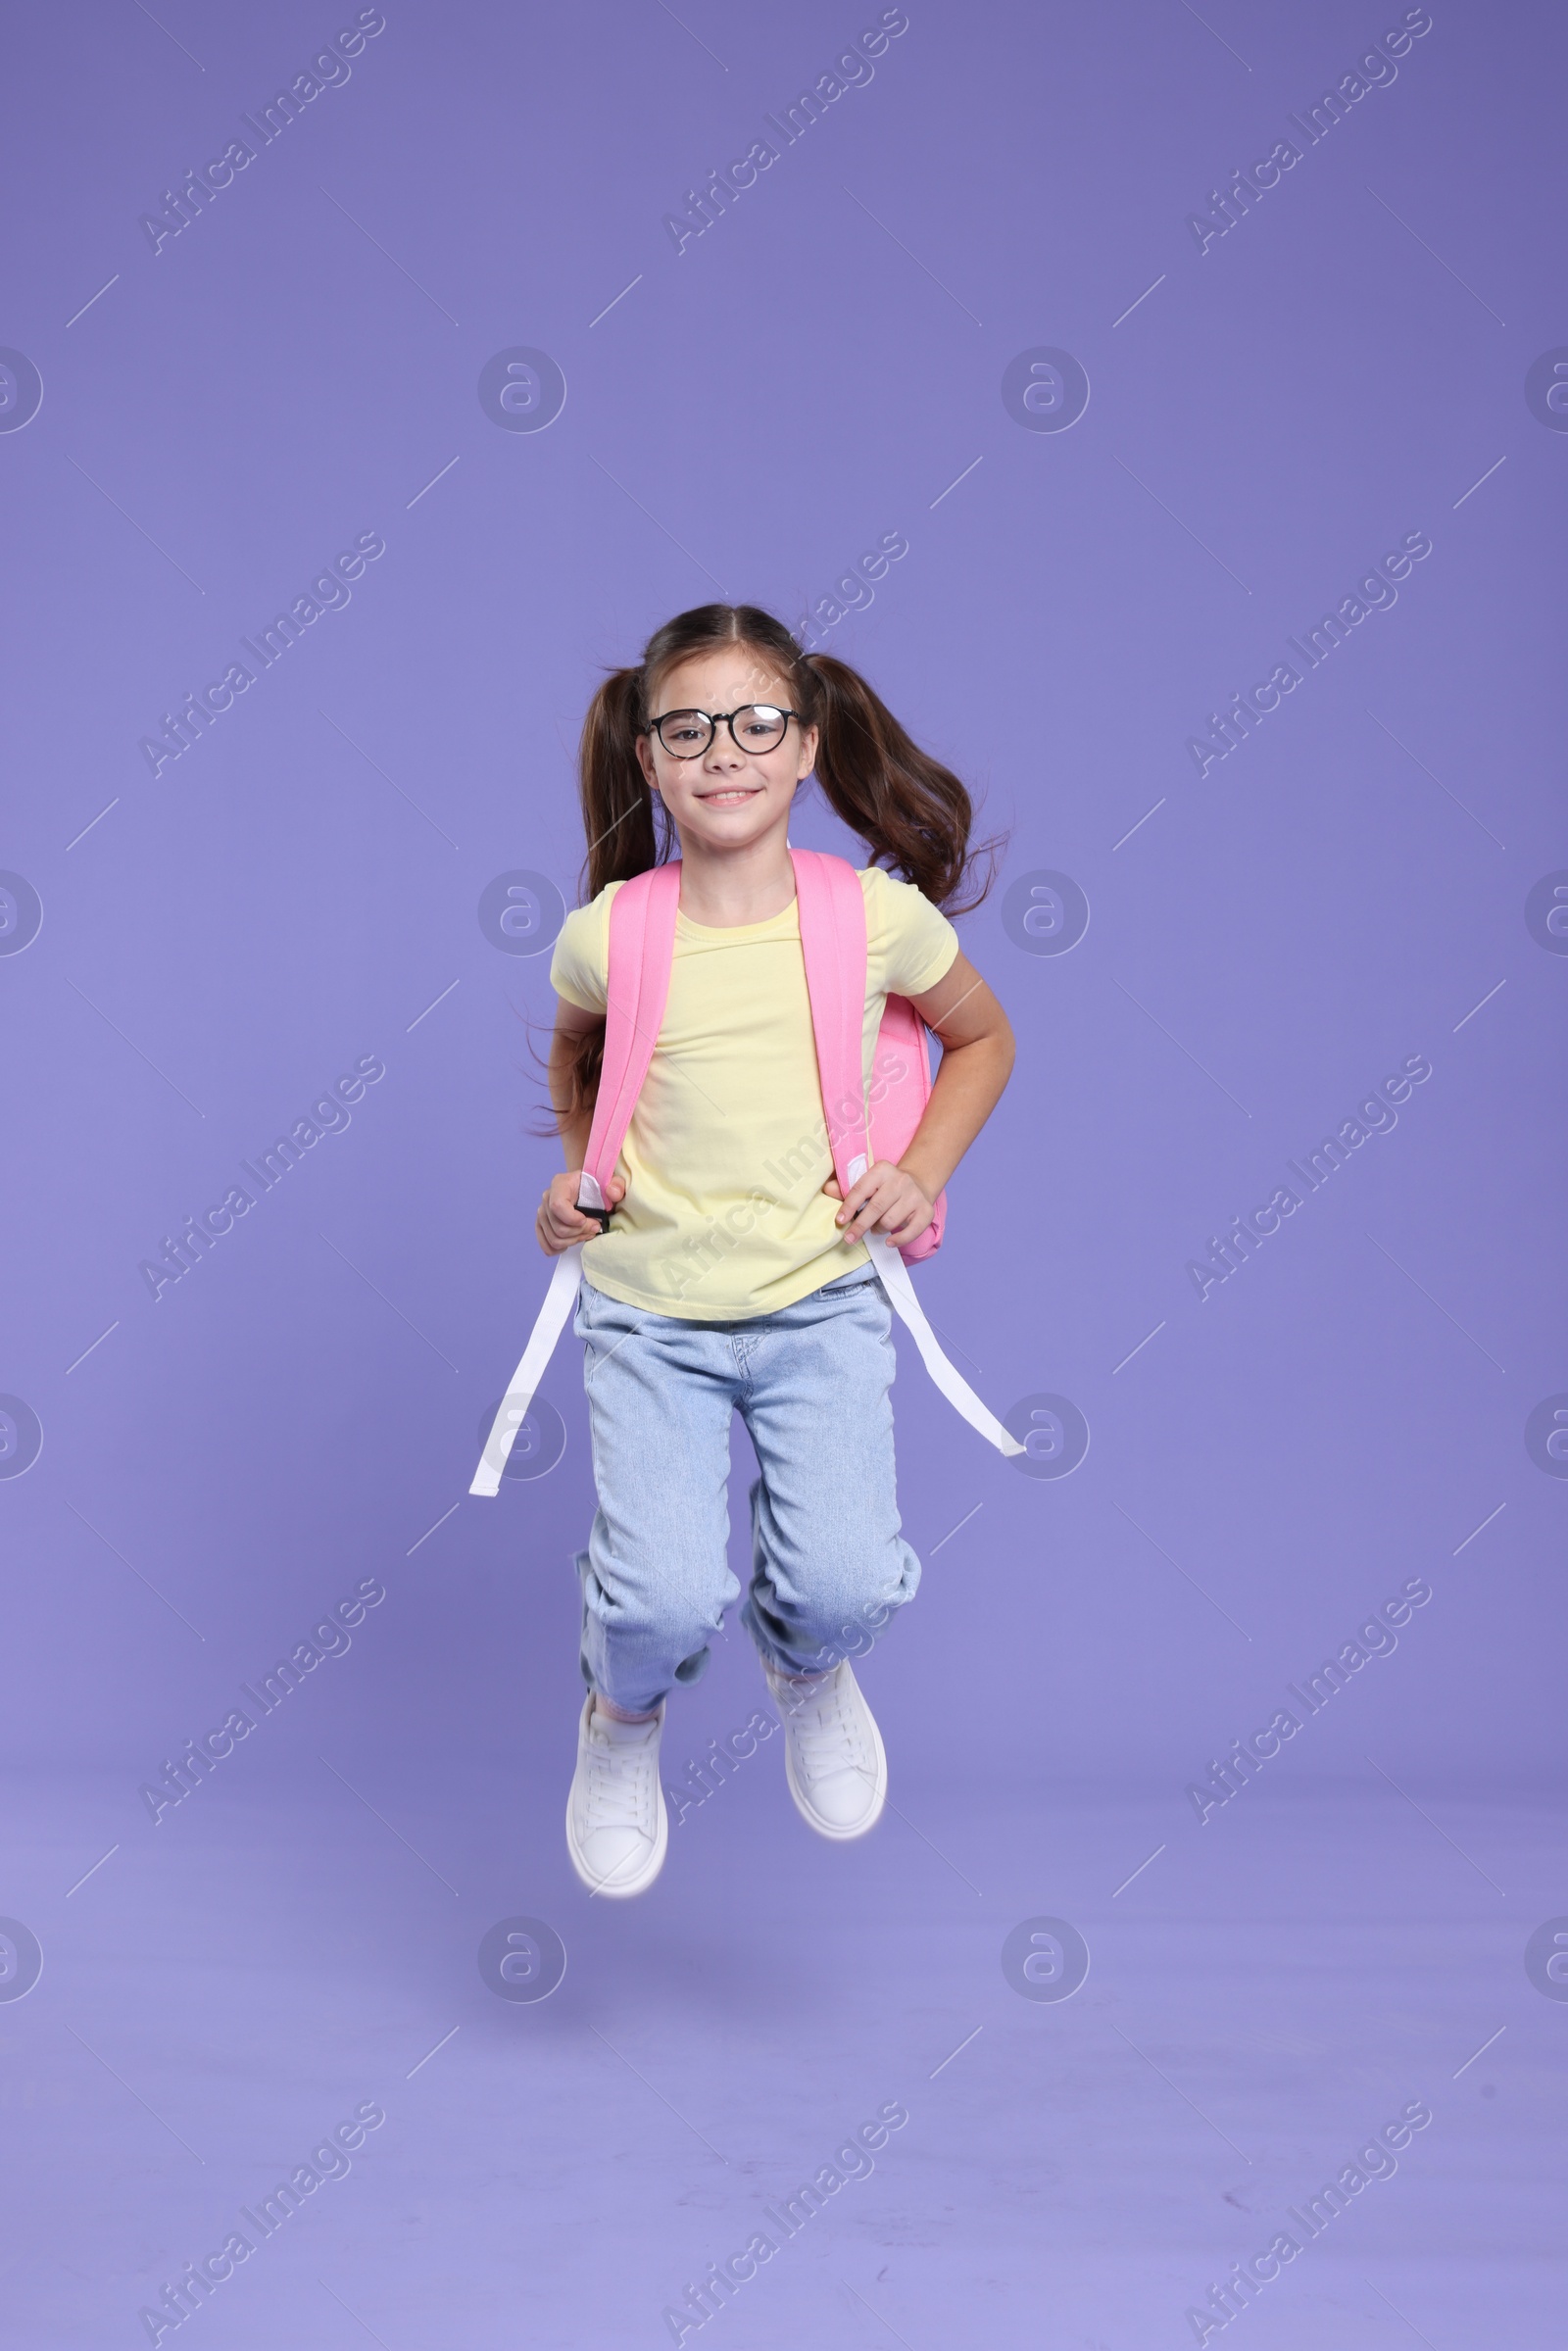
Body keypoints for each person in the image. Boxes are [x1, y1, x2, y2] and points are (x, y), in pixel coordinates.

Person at [540, 602, 1014, 1896]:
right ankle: (620, 1724)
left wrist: (920, 1178)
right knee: (655, 1600)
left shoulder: (876, 920)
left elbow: (986, 1038)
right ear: (646, 757)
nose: (723, 751)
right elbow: (583, 1051)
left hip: (819, 1308)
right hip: (651, 1319)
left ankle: (808, 1664)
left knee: (849, 1582)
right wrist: (579, 1176)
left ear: (808, 744)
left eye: (757, 722)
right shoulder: (609, 933)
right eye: (686, 729)